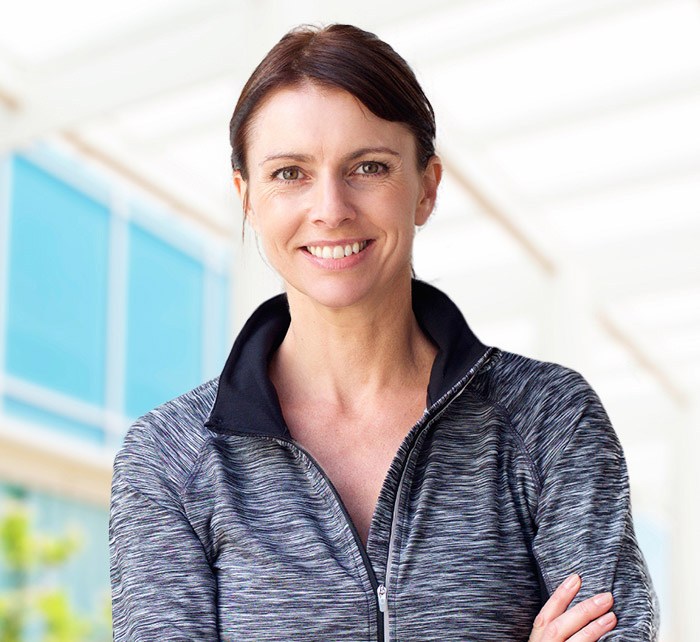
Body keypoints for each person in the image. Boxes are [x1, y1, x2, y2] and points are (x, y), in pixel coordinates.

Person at [109, 24, 659, 641]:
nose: (331, 207)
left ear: (426, 187)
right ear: (248, 197)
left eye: (368, 166)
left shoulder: (547, 419)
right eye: (289, 173)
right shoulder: (170, 460)